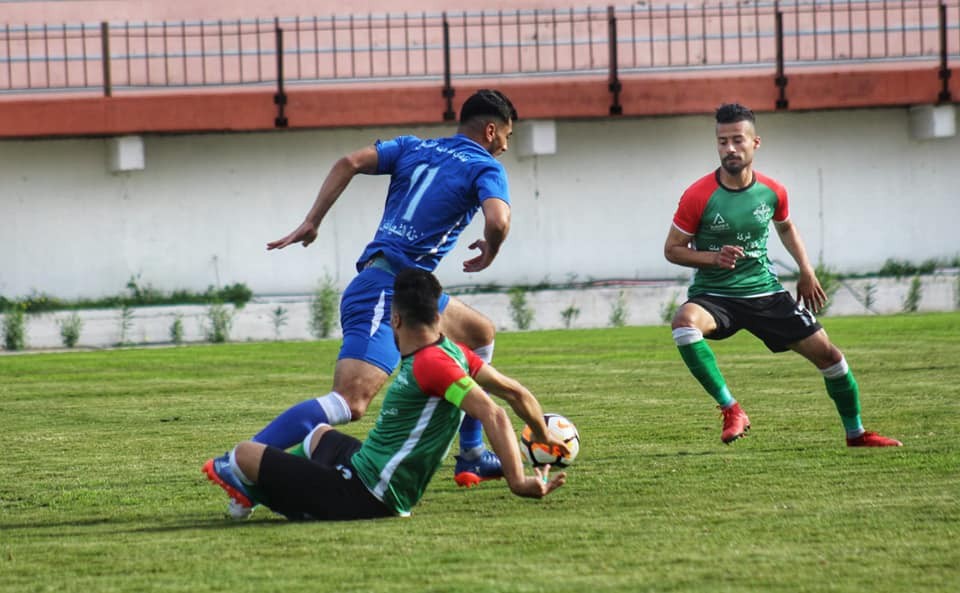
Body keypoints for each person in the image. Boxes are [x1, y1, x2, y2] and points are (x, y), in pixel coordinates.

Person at [251, 90, 518, 494]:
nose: (505, 147)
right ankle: (241, 462)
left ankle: (472, 454)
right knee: (350, 401)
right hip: (386, 291)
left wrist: (312, 220)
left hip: (409, 289)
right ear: (491, 131)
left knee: (480, 333)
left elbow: (349, 162)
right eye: (507, 137)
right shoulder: (486, 166)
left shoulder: (414, 147)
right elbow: (498, 221)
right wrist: (491, 249)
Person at [202, 268, 568, 520]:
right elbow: (515, 393)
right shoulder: (455, 352)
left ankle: (265, 493)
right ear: (437, 317)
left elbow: (493, 412)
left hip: (368, 495)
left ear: (395, 320)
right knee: (318, 436)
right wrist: (541, 434)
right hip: (368, 472)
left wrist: (518, 481)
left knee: (243, 454)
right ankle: (267, 490)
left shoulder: (432, 364)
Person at [663, 102, 902, 448]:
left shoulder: (773, 191)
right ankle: (731, 408)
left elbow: (786, 227)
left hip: (765, 293)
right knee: (684, 323)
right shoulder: (698, 195)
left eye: (738, 140)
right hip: (715, 296)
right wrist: (713, 257)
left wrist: (806, 270)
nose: (730, 148)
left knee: (831, 358)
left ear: (755, 142)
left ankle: (856, 434)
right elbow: (672, 249)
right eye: (722, 141)